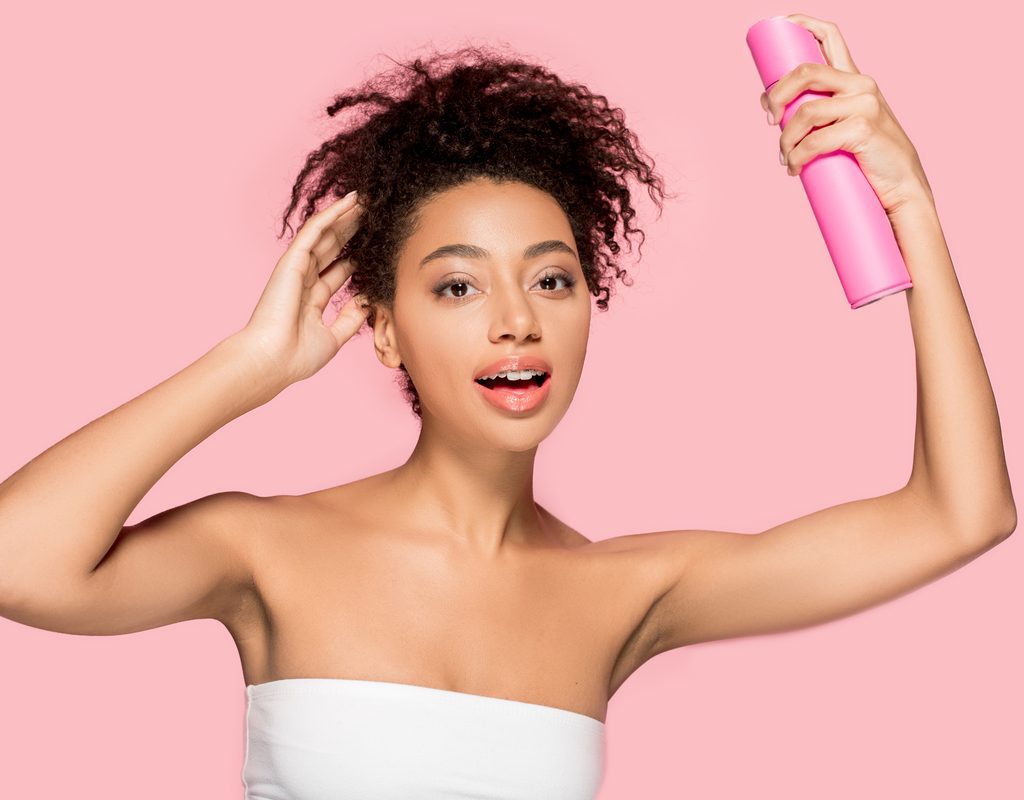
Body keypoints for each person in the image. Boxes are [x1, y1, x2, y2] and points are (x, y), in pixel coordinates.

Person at [0, 15, 1015, 799]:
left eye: (551, 280)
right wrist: (247, 364)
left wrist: (910, 205)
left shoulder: (623, 589)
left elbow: (960, 514)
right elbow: (18, 561)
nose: (514, 322)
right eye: (455, 286)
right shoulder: (262, 548)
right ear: (383, 324)